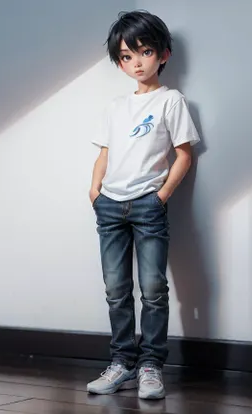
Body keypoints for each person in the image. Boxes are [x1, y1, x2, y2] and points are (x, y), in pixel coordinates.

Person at [86, 10, 200, 400]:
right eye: (126, 56)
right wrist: (95, 188)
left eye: (145, 52)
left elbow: (184, 155)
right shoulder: (115, 106)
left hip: (148, 206)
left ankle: (151, 365)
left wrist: (161, 196)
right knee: (116, 289)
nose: (137, 62)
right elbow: (105, 151)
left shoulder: (172, 101)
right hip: (110, 207)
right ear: (119, 62)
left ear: (163, 55)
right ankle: (122, 362)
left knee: (153, 288)